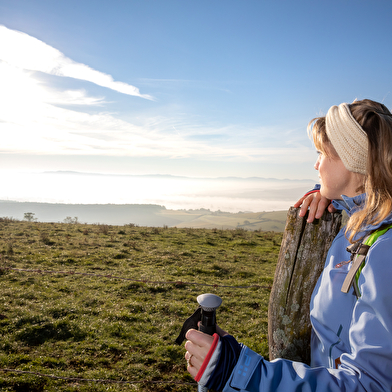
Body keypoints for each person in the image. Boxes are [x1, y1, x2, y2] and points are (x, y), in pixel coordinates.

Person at [184, 99, 392, 391]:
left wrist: (239, 373)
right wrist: (329, 193)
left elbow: (372, 385)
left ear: (351, 160)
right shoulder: (362, 223)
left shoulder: (385, 251)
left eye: (322, 153)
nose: (315, 164)